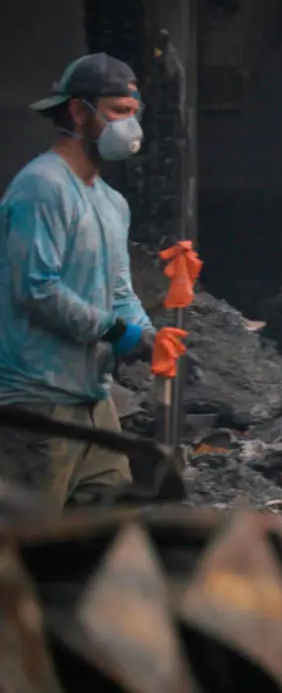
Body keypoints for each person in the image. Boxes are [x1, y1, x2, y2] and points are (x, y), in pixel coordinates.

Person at [0, 53, 154, 510]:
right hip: (38, 402)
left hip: (93, 401)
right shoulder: (41, 187)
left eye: (134, 114)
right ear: (77, 111)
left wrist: (147, 334)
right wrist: (114, 331)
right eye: (118, 112)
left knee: (110, 531)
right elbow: (36, 288)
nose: (129, 126)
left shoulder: (112, 203)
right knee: (28, 545)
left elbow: (120, 290)